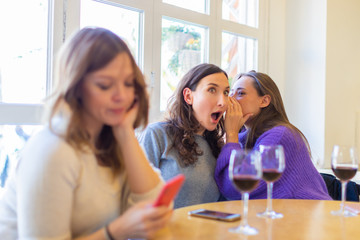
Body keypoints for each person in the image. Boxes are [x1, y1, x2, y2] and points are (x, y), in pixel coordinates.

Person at [0, 27, 172, 239]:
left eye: (128, 83)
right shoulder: (53, 150)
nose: (122, 95)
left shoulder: (112, 139)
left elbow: (154, 208)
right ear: (76, 87)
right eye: (105, 85)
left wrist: (125, 133)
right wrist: (116, 231)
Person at [215, 70, 332, 200]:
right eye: (230, 93)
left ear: (264, 101)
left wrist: (231, 134)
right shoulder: (244, 137)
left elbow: (235, 190)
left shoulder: (280, 136)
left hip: (306, 214)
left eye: (241, 93)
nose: (231, 100)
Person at [139, 63, 230, 208]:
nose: (223, 102)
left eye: (226, 92)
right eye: (212, 90)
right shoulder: (157, 135)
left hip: (209, 229)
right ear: (188, 96)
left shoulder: (218, 147)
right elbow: (135, 195)